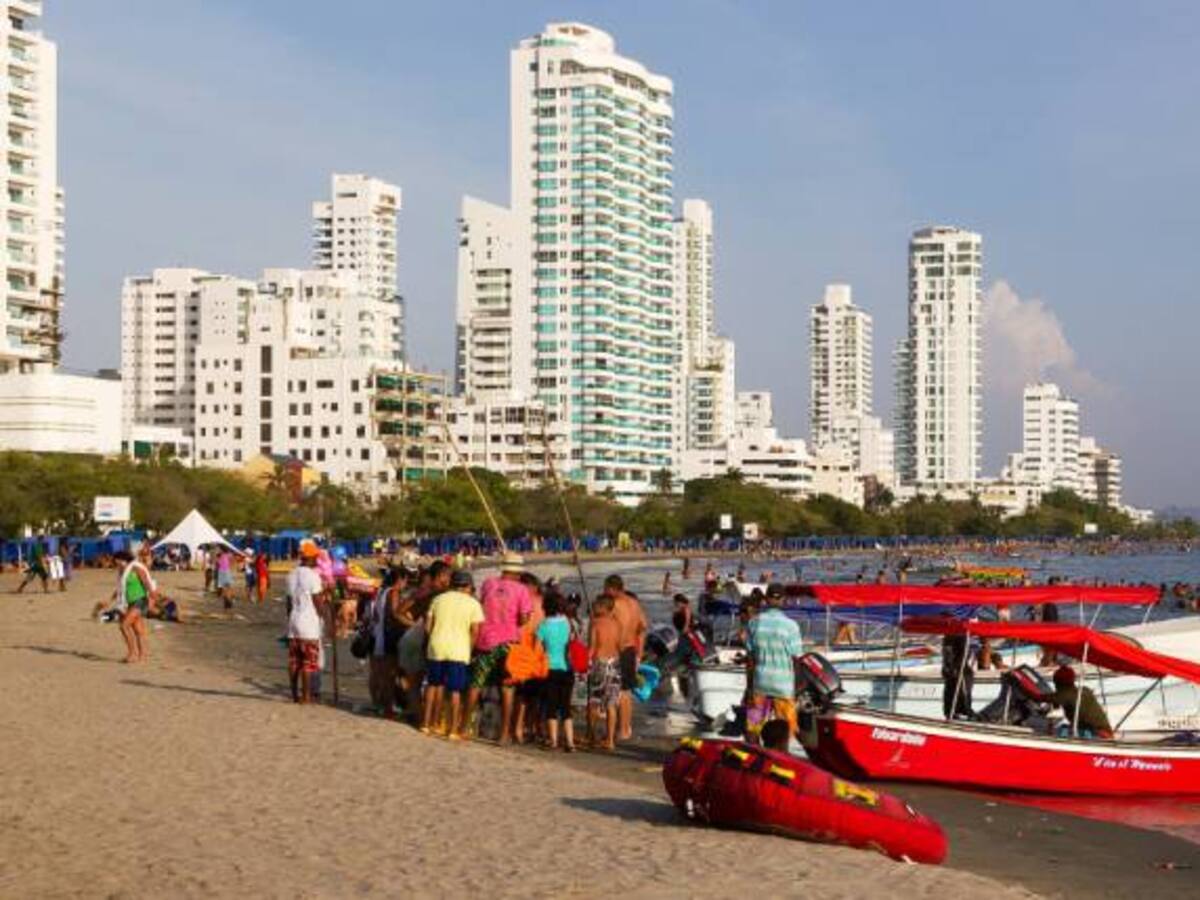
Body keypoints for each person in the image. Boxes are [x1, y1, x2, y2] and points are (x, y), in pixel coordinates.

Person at [465, 553, 532, 743]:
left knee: (477, 683)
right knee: (507, 688)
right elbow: (524, 619)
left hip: (485, 640)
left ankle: (463, 727)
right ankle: (503, 734)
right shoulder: (521, 590)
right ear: (518, 572)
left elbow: (483, 604)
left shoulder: (488, 583)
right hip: (508, 643)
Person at [421, 569, 483, 740]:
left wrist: (434, 637)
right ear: (467, 586)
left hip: (436, 646)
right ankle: (453, 730)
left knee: (433, 685)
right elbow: (475, 631)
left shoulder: (438, 599)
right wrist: (469, 648)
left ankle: (427, 724)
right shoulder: (473, 604)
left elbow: (427, 627)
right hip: (459, 649)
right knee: (455, 691)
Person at [744, 583, 802, 742]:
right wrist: (795, 690)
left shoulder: (753, 623)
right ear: (783, 600)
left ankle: (753, 758)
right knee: (784, 731)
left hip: (760, 682)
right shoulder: (791, 626)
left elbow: (750, 660)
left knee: (753, 727)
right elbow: (796, 660)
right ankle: (780, 760)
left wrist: (749, 687)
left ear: (766, 599)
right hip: (783, 685)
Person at [605, 574, 647, 742]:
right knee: (627, 692)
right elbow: (643, 626)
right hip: (631, 650)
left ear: (612, 588)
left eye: (605, 589)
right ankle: (625, 728)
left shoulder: (615, 604)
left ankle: (621, 730)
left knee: (618, 692)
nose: (604, 593)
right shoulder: (634, 603)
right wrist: (640, 652)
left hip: (619, 650)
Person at [286, 542, 326, 705]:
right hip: (308, 623)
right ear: (310, 557)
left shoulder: (291, 574)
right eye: (316, 556)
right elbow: (317, 602)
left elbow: (288, 604)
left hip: (294, 621)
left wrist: (289, 620)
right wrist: (328, 619)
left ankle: (295, 694)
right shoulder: (312, 575)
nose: (318, 559)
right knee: (308, 662)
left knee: (295, 660)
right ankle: (306, 696)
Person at [536, 591, 576, 752]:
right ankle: (570, 743)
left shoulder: (543, 625)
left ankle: (553, 741)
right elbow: (572, 642)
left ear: (546, 607)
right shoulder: (568, 622)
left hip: (550, 669)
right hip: (567, 669)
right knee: (566, 706)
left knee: (551, 706)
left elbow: (537, 648)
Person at [108, 550, 156, 663]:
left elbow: (146, 582)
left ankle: (132, 653)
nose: (115, 563)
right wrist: (110, 600)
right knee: (138, 630)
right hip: (130, 603)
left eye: (116, 560)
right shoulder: (122, 571)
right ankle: (142, 656)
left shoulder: (135, 568)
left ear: (121, 559)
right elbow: (120, 589)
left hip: (140, 601)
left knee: (124, 626)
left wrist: (152, 599)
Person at [587, 594, 621, 750]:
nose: (594, 606)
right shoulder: (617, 624)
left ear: (602, 607)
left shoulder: (596, 623)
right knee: (611, 703)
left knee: (594, 701)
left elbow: (592, 648)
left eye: (596, 605)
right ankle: (610, 740)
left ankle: (592, 737)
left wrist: (585, 664)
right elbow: (619, 645)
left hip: (599, 663)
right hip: (614, 664)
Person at [1050, 665, 1113, 738]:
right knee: (1063, 728)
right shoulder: (1084, 690)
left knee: (1060, 731)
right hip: (1105, 732)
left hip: (1098, 734)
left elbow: (1040, 698)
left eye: (1056, 684)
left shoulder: (1066, 696)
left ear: (1059, 684)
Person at [941, 629, 975, 719]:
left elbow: (965, 653)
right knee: (952, 689)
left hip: (959, 669)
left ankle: (962, 710)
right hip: (955, 670)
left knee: (961, 690)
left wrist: (955, 667)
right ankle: (954, 711)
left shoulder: (958, 636)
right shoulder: (951, 637)